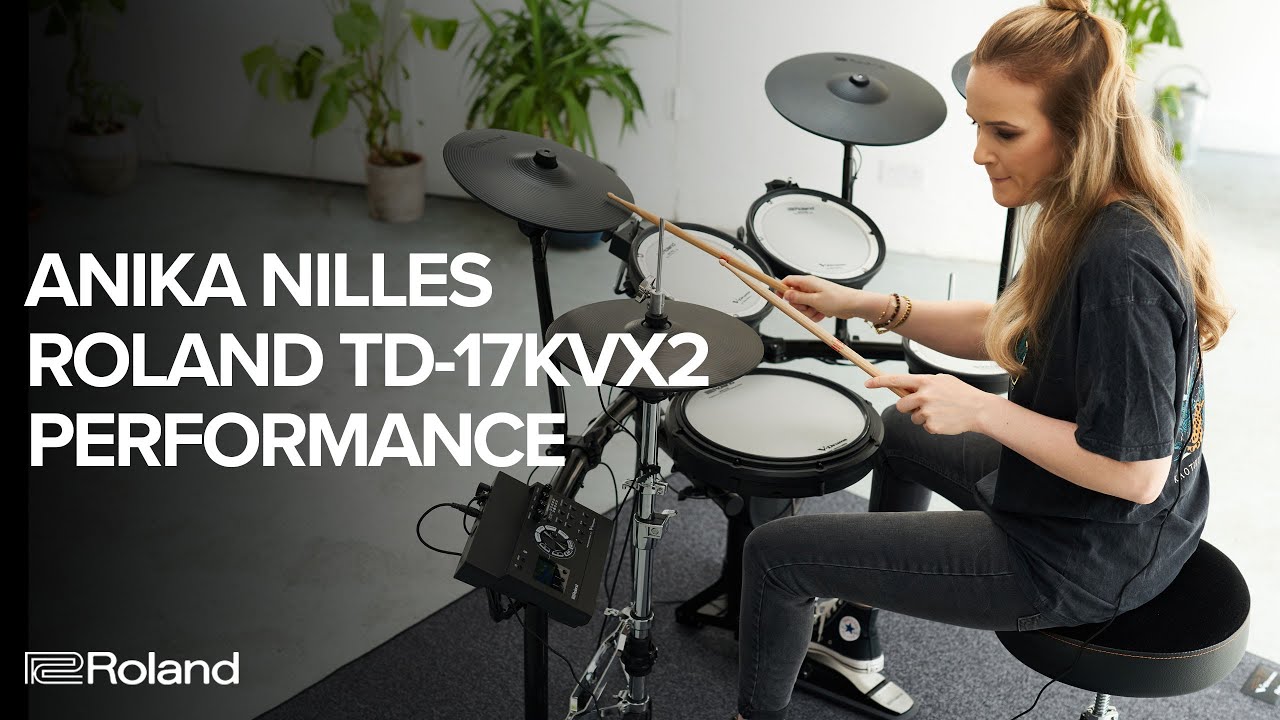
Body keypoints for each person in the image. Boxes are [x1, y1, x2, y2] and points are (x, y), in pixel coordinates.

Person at [730, 1, 1232, 718]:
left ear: (1080, 129)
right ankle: (853, 637)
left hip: (1082, 555)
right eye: (977, 125)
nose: (978, 152)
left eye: (1005, 132)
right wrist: (865, 304)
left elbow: (1137, 474)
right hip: (1089, 512)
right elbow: (1009, 329)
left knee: (777, 556)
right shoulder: (1089, 208)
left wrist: (983, 410)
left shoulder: (1120, 262)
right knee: (898, 431)